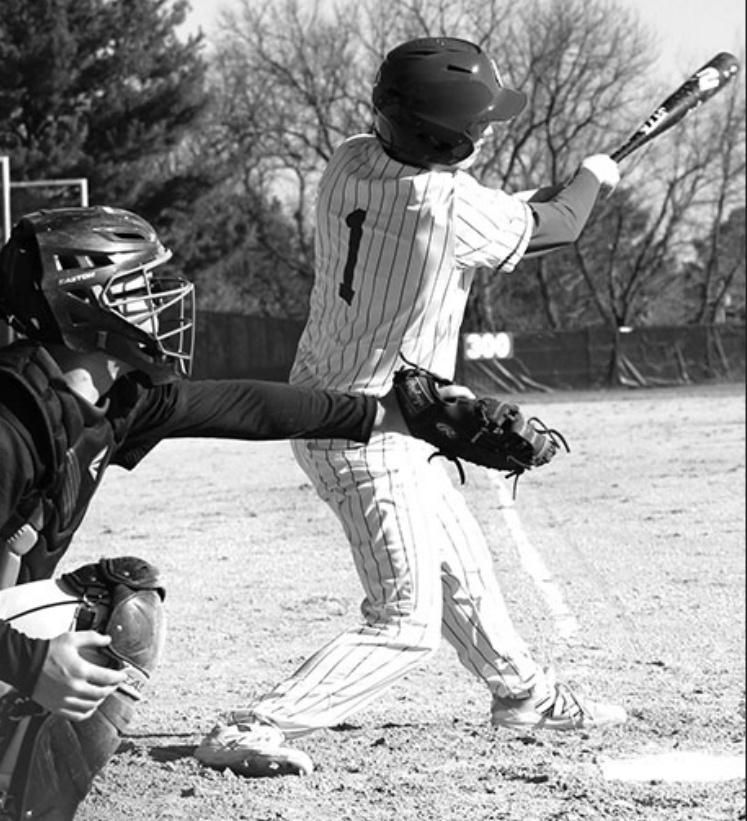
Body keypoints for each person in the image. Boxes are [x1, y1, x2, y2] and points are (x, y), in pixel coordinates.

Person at [195, 36, 627, 778]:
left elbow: (488, 212)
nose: (489, 130)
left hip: (354, 410)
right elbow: (560, 225)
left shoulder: (350, 160)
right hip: (366, 434)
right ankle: (253, 723)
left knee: (463, 565)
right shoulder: (449, 208)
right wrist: (592, 177)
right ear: (443, 136)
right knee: (406, 622)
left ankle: (523, 693)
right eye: (477, 124)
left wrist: (543, 196)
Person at [0, 204, 430, 821]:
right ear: (84, 301)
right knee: (117, 609)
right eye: (135, 286)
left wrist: (390, 415)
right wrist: (30, 661)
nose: (155, 301)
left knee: (118, 602)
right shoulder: (12, 421)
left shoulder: (107, 398)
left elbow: (242, 406)